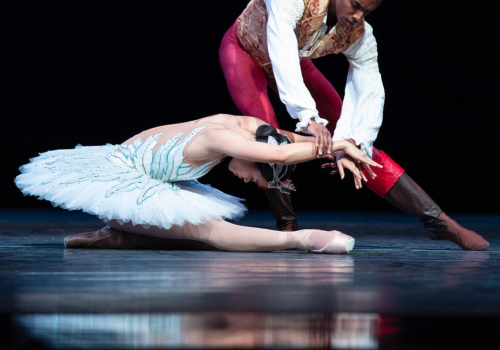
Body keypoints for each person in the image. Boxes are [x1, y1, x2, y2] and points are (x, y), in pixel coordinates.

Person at [219, 0, 488, 251]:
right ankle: (288, 227)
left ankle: (439, 222)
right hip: (244, 52)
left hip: (294, 59)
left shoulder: (361, 35)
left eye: (367, 11)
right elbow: (281, 47)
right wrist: (308, 117)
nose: (358, 16)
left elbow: (370, 91)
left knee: (360, 148)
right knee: (268, 136)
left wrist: (354, 141)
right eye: (355, 5)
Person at [15, 114, 381, 253]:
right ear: (253, 156)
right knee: (208, 230)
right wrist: (338, 145)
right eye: (256, 175)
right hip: (123, 175)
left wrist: (327, 151)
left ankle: (119, 235)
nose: (248, 180)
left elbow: (280, 139)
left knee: (189, 223)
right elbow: (281, 156)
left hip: (143, 170)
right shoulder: (223, 141)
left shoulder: (238, 124)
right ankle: (303, 240)